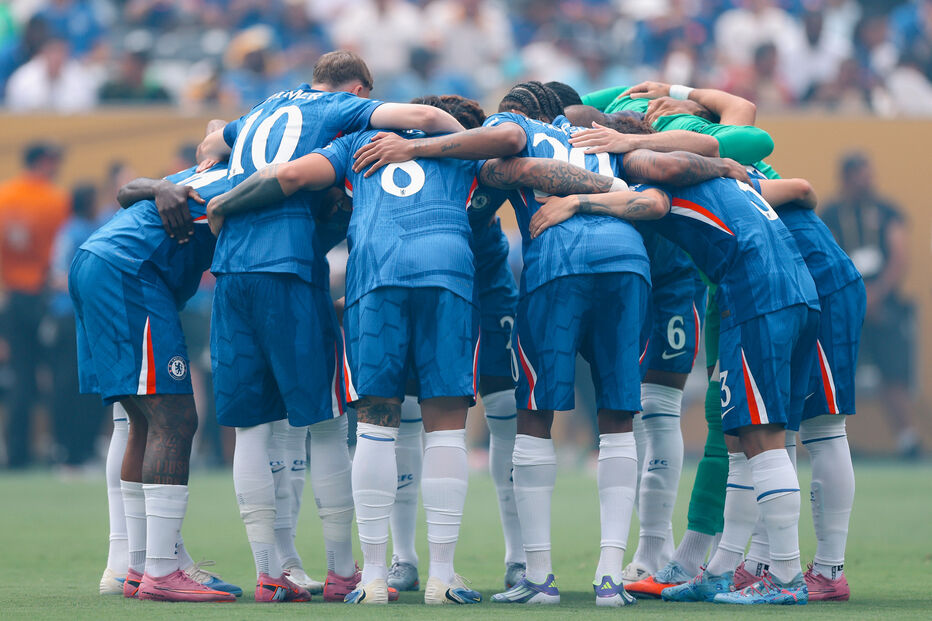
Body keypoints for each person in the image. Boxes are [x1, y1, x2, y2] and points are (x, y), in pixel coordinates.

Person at [206, 95, 639, 606]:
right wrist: (608, 186)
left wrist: (223, 203)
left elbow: (290, 176)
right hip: (448, 274)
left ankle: (371, 579)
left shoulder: (354, 142)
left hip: (374, 275)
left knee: (375, 423)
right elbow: (535, 167)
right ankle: (444, 577)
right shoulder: (464, 152)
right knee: (446, 427)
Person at [351, 81, 748, 607]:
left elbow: (521, 160)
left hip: (557, 267)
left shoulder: (511, 130)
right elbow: (661, 193)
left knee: (534, 416)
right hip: (629, 265)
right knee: (621, 418)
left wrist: (419, 148)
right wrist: (627, 184)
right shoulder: (606, 140)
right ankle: (612, 574)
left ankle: (537, 575)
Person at [195, 49, 466, 603]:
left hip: (230, 268)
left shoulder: (264, 107)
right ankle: (347, 569)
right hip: (288, 262)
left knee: (250, 427)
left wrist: (214, 179)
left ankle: (271, 570)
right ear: (361, 89)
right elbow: (426, 119)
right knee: (323, 421)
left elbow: (214, 138)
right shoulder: (344, 111)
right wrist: (454, 140)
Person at [531, 171, 821, 606]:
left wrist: (575, 203)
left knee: (762, 438)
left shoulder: (664, 179)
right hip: (796, 293)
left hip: (756, 299)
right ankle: (722, 569)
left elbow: (653, 203)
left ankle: (784, 577)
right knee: (742, 441)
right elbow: (798, 187)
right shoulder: (727, 181)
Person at [72, 127, 240, 601]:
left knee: (141, 422)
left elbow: (127, 192)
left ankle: (139, 564)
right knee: (176, 417)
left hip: (102, 263)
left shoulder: (201, 172)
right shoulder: (239, 178)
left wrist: (159, 184)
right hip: (130, 275)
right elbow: (131, 191)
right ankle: (161, 572)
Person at [381, 95, 526, 595]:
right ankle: (403, 557)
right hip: (426, 284)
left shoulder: (489, 165)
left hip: (487, 288)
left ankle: (519, 557)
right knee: (404, 414)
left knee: (507, 410)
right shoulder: (401, 164)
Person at [822, 152, 920, 458]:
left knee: (894, 376)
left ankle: (909, 441)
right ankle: (834, 441)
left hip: (884, 307)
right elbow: (829, 256)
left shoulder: (887, 210)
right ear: (847, 177)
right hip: (847, 308)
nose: (868, 180)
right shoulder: (833, 212)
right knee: (837, 375)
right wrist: (858, 297)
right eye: (861, 174)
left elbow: (899, 256)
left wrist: (876, 295)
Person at [0, 141, 69, 469]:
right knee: (56, 375)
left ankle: (17, 454)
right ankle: (58, 448)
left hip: (12, 297)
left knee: (21, 377)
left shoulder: (5, 196)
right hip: (44, 296)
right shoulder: (55, 199)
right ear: (44, 161)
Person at [47, 183, 105, 470]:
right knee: (69, 384)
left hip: (87, 317)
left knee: (90, 384)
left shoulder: (92, 227)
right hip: (70, 317)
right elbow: (57, 276)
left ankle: (83, 448)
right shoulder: (73, 231)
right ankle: (67, 451)